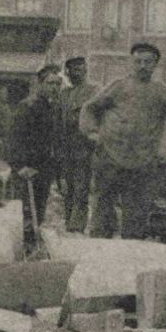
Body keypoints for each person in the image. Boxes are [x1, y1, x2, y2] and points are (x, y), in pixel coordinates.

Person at [80, 42, 166, 239]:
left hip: (141, 162)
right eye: (138, 61)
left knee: (136, 214)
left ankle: (131, 252)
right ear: (131, 63)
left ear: (155, 64)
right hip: (110, 157)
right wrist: (91, 133)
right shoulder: (118, 86)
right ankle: (99, 250)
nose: (142, 66)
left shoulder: (160, 91)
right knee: (103, 211)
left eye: (147, 62)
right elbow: (89, 108)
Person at [9, 65, 65, 242]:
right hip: (27, 170)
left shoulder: (53, 108)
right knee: (24, 211)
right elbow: (14, 138)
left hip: (44, 168)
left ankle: (32, 245)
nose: (54, 88)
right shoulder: (27, 106)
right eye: (50, 83)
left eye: (57, 84)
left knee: (39, 210)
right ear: (40, 84)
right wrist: (20, 166)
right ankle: (22, 246)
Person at [58, 56, 99, 233]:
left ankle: (77, 225)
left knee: (81, 186)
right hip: (66, 145)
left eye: (81, 69)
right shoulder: (64, 94)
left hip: (84, 146)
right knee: (67, 186)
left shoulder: (93, 91)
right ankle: (69, 221)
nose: (78, 73)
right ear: (68, 73)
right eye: (74, 70)